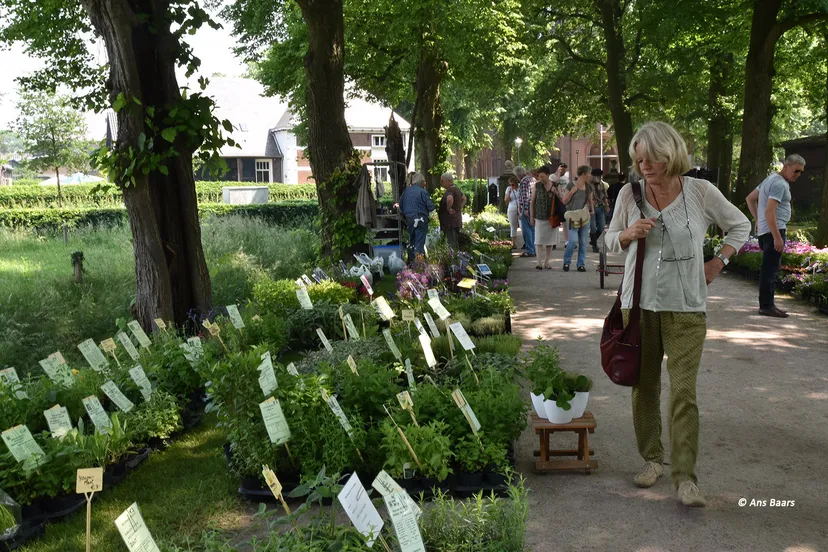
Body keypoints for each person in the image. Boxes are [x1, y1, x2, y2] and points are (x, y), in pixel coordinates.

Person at [606, 121, 750, 508]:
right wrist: (625, 234)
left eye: (651, 157)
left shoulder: (700, 192)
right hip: (637, 306)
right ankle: (652, 459)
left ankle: (686, 478)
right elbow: (607, 238)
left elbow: (741, 225)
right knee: (645, 386)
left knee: (684, 393)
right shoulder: (629, 194)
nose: (644, 165)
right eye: (639, 159)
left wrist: (717, 263)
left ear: (670, 154)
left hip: (686, 307)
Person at [745, 154, 806, 318]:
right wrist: (777, 237)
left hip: (767, 230)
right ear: (786, 166)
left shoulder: (770, 179)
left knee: (770, 268)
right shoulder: (780, 184)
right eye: (796, 171)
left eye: (801, 172)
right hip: (775, 230)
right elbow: (770, 210)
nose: (798, 175)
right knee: (770, 269)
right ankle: (766, 306)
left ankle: (768, 304)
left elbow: (750, 199)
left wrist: (758, 221)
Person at [561, 166, 593, 272]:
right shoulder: (571, 185)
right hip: (572, 217)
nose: (590, 176)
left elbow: (590, 201)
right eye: (589, 173)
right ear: (583, 174)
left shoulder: (589, 187)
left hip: (584, 217)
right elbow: (564, 201)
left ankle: (581, 264)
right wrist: (571, 192)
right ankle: (566, 262)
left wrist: (592, 210)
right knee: (573, 241)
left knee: (583, 242)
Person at [398, 172, 435, 261]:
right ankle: (419, 266)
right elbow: (431, 207)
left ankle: (411, 262)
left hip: (409, 219)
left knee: (412, 241)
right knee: (419, 242)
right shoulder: (423, 191)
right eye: (424, 182)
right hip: (421, 219)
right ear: (420, 182)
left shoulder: (406, 191)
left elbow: (401, 205)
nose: (425, 184)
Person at [529, 165, 559, 269]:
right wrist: (531, 217)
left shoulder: (555, 185)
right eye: (539, 176)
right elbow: (532, 202)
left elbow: (562, 199)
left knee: (550, 241)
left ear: (547, 175)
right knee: (538, 240)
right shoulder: (537, 186)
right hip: (539, 216)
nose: (540, 178)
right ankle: (538, 262)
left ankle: (547, 261)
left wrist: (557, 192)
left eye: (542, 176)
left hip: (551, 217)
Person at [438, 172, 465, 250]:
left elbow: (450, 199)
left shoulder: (449, 190)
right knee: (454, 241)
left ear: (447, 181)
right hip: (457, 219)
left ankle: (454, 260)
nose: (441, 183)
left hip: (450, 221)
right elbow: (464, 198)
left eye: (442, 181)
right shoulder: (456, 189)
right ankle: (455, 258)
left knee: (452, 243)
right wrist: (459, 208)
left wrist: (448, 209)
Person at [516, 166, 536, 257]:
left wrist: (526, 209)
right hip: (533, 205)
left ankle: (530, 250)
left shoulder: (523, 181)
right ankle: (534, 249)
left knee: (526, 229)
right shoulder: (532, 179)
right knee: (532, 229)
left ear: (518, 174)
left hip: (527, 206)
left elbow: (525, 196)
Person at [589, 168, 610, 252]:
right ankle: (594, 245)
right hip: (591, 208)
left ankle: (593, 240)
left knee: (601, 227)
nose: (598, 178)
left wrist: (607, 205)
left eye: (600, 176)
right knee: (593, 227)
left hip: (600, 207)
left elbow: (605, 195)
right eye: (597, 176)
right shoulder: (589, 185)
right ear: (593, 176)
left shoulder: (602, 184)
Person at [550, 163, 570, 248]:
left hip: (563, 201)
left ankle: (567, 241)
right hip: (554, 201)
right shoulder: (552, 177)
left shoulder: (566, 179)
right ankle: (553, 241)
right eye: (561, 169)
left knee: (565, 222)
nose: (563, 171)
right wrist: (558, 173)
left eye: (564, 170)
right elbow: (553, 183)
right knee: (555, 222)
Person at [505, 174, 520, 249]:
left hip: (520, 208)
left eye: (513, 183)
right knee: (513, 226)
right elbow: (506, 200)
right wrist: (509, 193)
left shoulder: (520, 187)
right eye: (510, 183)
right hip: (512, 208)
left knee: (523, 226)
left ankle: (527, 243)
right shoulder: (509, 189)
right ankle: (514, 243)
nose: (512, 185)